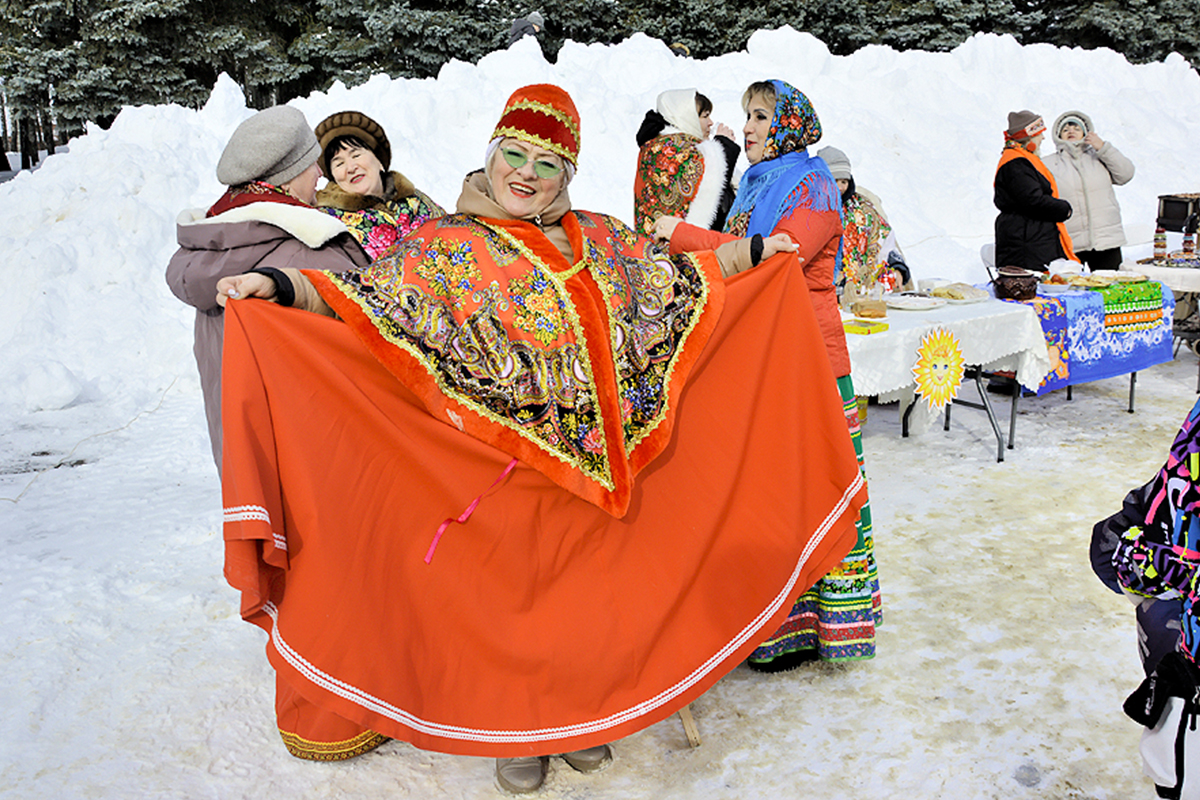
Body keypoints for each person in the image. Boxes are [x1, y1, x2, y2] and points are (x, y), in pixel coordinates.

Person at [211, 84, 867, 792]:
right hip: (501, 468)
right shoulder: (443, 247)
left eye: (546, 162)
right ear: (491, 157)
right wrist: (280, 289)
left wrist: (754, 254)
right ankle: (519, 738)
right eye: (513, 155)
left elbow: (677, 279)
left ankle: (586, 720)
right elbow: (366, 303)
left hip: (592, 470)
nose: (525, 173)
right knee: (514, 610)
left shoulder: (602, 237)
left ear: (569, 175)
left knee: (586, 604)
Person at [655, 79, 882, 669]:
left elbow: (779, 255)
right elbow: (738, 251)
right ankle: (775, 631)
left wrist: (681, 235)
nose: (749, 127)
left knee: (819, 489)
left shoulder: (813, 185)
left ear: (789, 124)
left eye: (760, 115)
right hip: (764, 360)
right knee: (775, 497)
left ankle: (827, 628)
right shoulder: (755, 183)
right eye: (746, 116)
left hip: (810, 365)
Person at [164, 105, 369, 470]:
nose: (321, 174)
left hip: (250, 463)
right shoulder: (305, 248)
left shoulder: (215, 246)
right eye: (312, 165)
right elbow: (376, 315)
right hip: (322, 464)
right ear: (286, 180)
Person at [314, 111, 445, 261]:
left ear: (379, 160)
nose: (351, 168)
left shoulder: (416, 201)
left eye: (356, 155)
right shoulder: (330, 224)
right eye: (339, 163)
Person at [632, 88, 739, 237]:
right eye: (704, 116)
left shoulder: (661, 146)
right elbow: (710, 194)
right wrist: (723, 147)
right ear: (687, 117)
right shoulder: (669, 149)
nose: (710, 123)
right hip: (673, 249)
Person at [1043, 111, 1135, 271]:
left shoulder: (1101, 156)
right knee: (1070, 290)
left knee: (1109, 291)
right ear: (1058, 136)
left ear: (1086, 133)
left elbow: (1125, 174)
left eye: (1076, 128)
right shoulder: (1049, 164)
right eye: (1065, 130)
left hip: (1106, 241)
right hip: (1069, 241)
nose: (1071, 131)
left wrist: (1103, 148)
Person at [817, 145, 910, 293]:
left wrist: (896, 267)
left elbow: (884, 239)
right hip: (821, 293)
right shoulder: (809, 209)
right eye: (835, 181)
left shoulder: (862, 209)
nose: (840, 187)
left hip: (862, 293)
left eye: (844, 182)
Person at [993, 110, 1077, 272]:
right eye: (1039, 134)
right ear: (1028, 137)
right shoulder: (1016, 163)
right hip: (1027, 241)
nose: (1042, 138)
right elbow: (1033, 200)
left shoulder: (1019, 159)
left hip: (1030, 237)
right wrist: (1063, 208)